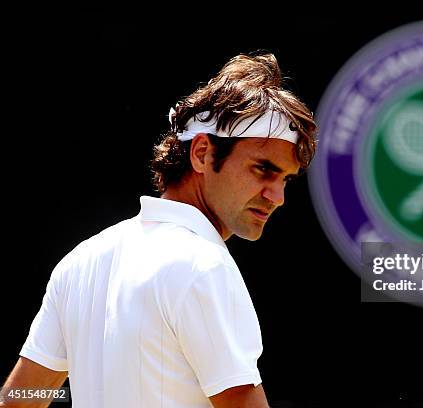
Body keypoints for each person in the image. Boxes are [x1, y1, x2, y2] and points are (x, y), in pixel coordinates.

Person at [0, 53, 317, 408]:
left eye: (285, 179)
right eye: (263, 169)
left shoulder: (80, 261)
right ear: (201, 153)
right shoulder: (204, 267)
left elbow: (19, 399)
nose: (278, 197)